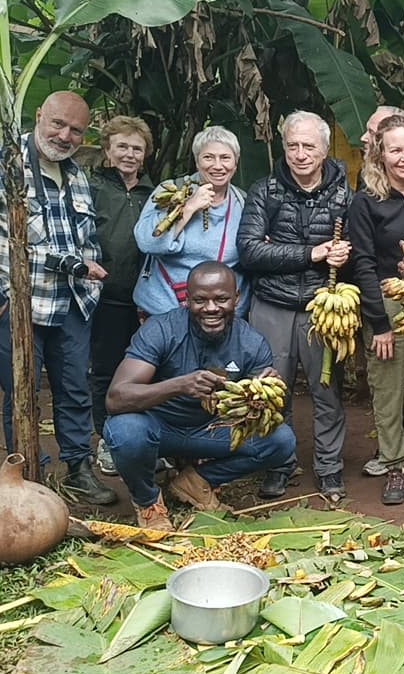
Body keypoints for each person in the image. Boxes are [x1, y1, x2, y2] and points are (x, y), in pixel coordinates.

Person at [0, 90, 117, 505]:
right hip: (17, 307)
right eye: (58, 124)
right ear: (39, 115)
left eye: (76, 131)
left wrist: (90, 289)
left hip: (72, 305)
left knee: (76, 390)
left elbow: (87, 240)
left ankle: (79, 470)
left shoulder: (75, 174)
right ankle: (28, 475)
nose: (64, 136)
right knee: (22, 394)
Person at [103, 262, 297, 531]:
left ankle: (197, 482)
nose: (211, 308)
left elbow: (260, 415)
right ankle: (148, 502)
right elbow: (115, 399)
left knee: (281, 440)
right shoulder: (160, 330)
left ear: (237, 298)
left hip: (212, 430)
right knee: (124, 431)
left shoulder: (252, 343)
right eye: (200, 300)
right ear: (186, 300)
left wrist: (259, 396)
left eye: (221, 299)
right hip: (158, 428)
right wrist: (179, 385)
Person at [236, 111, 351, 499]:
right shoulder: (265, 190)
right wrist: (311, 253)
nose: (300, 154)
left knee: (327, 389)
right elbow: (249, 250)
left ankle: (329, 468)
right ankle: (277, 464)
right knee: (272, 389)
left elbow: (357, 247)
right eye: (292, 146)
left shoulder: (343, 192)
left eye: (308, 146)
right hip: (274, 303)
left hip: (324, 307)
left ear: (323, 150)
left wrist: (342, 254)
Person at [348, 113, 404, 505]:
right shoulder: (367, 201)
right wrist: (379, 323)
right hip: (386, 301)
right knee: (387, 387)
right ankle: (394, 463)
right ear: (379, 156)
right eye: (395, 150)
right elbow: (362, 263)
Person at [89, 115, 155, 476]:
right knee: (106, 370)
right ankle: (107, 440)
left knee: (148, 372)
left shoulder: (153, 193)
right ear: (108, 149)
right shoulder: (93, 188)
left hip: (145, 298)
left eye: (136, 148)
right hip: (104, 295)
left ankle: (144, 439)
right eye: (122, 147)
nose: (129, 155)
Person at [134, 126, 249, 317]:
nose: (218, 165)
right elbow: (147, 242)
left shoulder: (242, 202)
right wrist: (188, 208)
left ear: (235, 164)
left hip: (218, 316)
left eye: (225, 158)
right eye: (208, 157)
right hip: (165, 309)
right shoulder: (171, 191)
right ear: (197, 162)